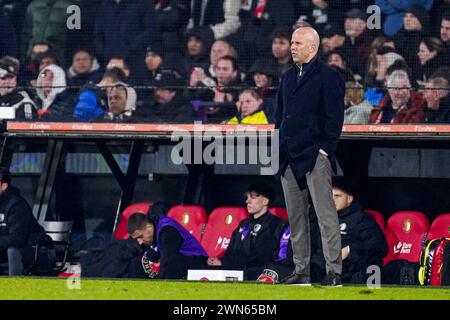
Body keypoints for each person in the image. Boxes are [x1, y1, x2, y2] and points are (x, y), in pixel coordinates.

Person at [275, 26, 345, 286]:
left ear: (312, 47)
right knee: (296, 216)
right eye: (291, 42)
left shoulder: (329, 76)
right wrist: (279, 146)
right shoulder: (287, 76)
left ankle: (334, 272)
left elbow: (335, 118)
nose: (292, 47)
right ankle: (301, 271)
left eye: (297, 43)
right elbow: (279, 116)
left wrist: (325, 150)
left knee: (326, 215)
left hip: (315, 154)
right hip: (289, 156)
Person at [310, 180, 388, 284]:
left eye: (337, 196)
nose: (332, 200)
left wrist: (350, 250)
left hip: (352, 269)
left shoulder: (362, 219)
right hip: (321, 268)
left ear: (349, 199)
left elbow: (380, 247)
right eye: (330, 196)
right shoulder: (320, 219)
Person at [206, 183, 283, 280]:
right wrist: (219, 261)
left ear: (265, 201)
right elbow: (231, 251)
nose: (247, 201)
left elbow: (262, 257)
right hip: (235, 269)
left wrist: (225, 263)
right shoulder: (244, 223)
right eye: (247, 197)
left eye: (253, 197)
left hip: (256, 272)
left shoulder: (273, 224)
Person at [0, 167, 55, 276]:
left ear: (4, 186)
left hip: (40, 251)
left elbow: (17, 239)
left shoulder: (16, 205)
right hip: (12, 250)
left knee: (13, 250)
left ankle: (14, 287)